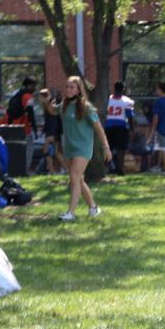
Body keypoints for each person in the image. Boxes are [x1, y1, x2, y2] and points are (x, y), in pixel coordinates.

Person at [59, 75, 109, 221]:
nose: (68, 89)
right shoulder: (64, 105)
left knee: (74, 177)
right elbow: (52, 110)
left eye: (72, 87)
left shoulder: (87, 107)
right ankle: (93, 208)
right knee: (79, 180)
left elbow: (99, 128)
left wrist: (106, 147)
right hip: (69, 148)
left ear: (79, 89)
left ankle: (70, 213)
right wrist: (46, 101)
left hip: (83, 148)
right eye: (67, 87)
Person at [103, 81, 135, 175]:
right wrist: (132, 129)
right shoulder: (127, 101)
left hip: (108, 125)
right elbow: (129, 116)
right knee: (121, 149)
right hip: (121, 126)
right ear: (123, 89)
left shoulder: (108, 99)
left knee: (108, 148)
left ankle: (105, 168)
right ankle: (119, 170)